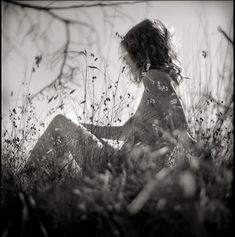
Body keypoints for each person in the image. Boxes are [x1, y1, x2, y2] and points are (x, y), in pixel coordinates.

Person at [23, 19, 196, 188]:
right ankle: (42, 182)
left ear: (140, 51)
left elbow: (180, 122)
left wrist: (203, 158)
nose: (126, 62)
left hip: (120, 169)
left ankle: (22, 178)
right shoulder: (161, 82)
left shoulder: (153, 77)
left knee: (59, 123)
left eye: (128, 54)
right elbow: (122, 132)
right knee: (64, 127)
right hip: (126, 170)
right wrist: (81, 127)